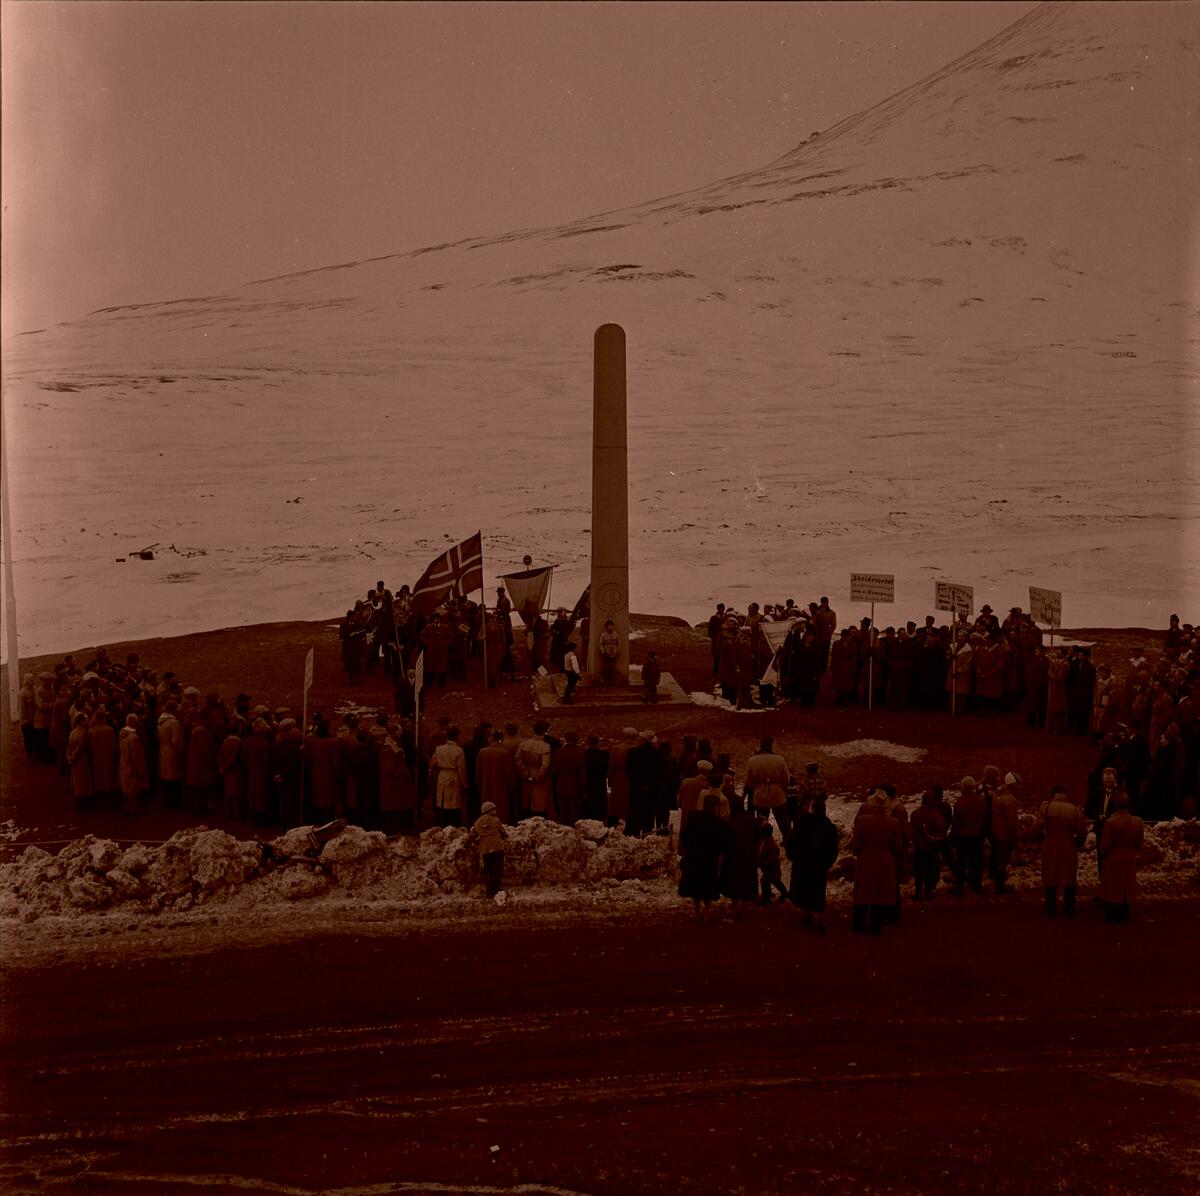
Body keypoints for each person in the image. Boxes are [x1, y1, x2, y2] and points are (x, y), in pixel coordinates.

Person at [850, 789, 903, 934]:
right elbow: (898, 846)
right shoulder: (894, 823)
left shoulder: (862, 821)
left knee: (863, 891)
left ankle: (858, 924)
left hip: (866, 857)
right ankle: (875, 925)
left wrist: (859, 853)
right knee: (880, 893)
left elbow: (855, 844)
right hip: (886, 860)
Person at [785, 796, 839, 931]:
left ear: (812, 809)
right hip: (819, 865)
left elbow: (791, 840)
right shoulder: (830, 827)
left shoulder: (802, 822)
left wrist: (792, 856)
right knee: (817, 891)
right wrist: (827, 863)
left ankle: (806, 914)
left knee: (802, 889)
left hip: (802, 863)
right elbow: (833, 849)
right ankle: (817, 916)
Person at [678, 790, 732, 922]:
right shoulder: (718, 822)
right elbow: (724, 842)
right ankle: (707, 912)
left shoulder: (694, 816)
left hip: (694, 854)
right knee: (708, 884)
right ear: (716, 806)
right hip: (710, 857)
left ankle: (696, 912)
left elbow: (684, 835)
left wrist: (688, 847)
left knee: (694, 883)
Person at [1038, 783, 1089, 917]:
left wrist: (1041, 839)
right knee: (1069, 877)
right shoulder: (1075, 810)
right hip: (1068, 845)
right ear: (1066, 794)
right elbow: (1083, 831)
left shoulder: (1046, 807)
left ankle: (1050, 909)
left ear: (1054, 794)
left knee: (1050, 875)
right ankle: (1069, 908)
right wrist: (1078, 843)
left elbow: (1037, 827)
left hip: (1050, 843)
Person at [1098, 792, 1144, 924]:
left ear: (1115, 805)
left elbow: (1105, 845)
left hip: (1114, 856)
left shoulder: (1110, 822)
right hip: (1129, 855)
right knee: (1126, 885)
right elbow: (1139, 843)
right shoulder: (1137, 821)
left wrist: (1103, 852)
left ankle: (1112, 914)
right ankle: (1125, 913)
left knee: (1112, 885)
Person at [744, 736, 791, 841]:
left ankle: (762, 842)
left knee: (761, 821)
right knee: (783, 821)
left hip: (760, 795)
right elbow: (786, 780)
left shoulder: (752, 760)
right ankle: (787, 841)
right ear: (771, 745)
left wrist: (756, 789)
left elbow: (748, 781)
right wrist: (781, 789)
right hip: (777, 794)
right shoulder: (779, 759)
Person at [720, 793, 760, 919]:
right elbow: (758, 837)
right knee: (747, 881)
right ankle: (744, 907)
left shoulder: (729, 821)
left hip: (733, 857)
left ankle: (735, 905)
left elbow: (724, 840)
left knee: (733, 881)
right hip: (749, 856)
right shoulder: (751, 819)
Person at [949, 775, 986, 896]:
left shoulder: (960, 802)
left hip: (963, 837)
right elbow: (986, 820)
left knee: (961, 862)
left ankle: (960, 886)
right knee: (977, 861)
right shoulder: (981, 801)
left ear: (963, 787)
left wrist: (953, 838)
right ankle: (977, 885)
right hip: (978, 836)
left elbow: (955, 823)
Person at [909, 790, 947, 901]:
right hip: (932, 847)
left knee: (919, 870)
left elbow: (913, 833)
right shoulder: (937, 815)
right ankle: (928, 891)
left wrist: (920, 843)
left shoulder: (915, 814)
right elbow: (941, 832)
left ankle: (918, 892)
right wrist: (932, 842)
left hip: (920, 848)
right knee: (930, 869)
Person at [988, 771, 1021, 894]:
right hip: (1005, 834)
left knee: (997, 857)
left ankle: (995, 880)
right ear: (1012, 784)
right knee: (1003, 859)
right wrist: (1015, 839)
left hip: (995, 830)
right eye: (1017, 785)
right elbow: (1011, 822)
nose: (1019, 787)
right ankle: (1000, 886)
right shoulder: (1010, 799)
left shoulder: (997, 793)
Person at [476, 729, 518, 824]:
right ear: (501, 739)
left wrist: (479, 785)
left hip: (486, 786)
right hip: (501, 788)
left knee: (486, 811)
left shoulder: (482, 752)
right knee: (501, 813)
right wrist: (512, 789)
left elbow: (478, 772)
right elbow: (509, 774)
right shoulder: (504, 753)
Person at [431, 726, 470, 826]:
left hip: (442, 774)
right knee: (453, 802)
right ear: (457, 737)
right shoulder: (459, 750)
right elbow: (461, 769)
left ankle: (442, 822)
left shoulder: (439, 749)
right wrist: (465, 784)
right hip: (453, 775)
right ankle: (453, 823)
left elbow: (433, 762)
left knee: (442, 801)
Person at [469, 801, 509, 898]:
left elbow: (471, 836)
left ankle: (489, 891)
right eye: (493, 809)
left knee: (488, 870)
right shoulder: (496, 820)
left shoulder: (477, 822)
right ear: (489, 811)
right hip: (497, 847)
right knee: (497, 870)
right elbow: (503, 834)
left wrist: (466, 845)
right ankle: (496, 889)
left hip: (485, 849)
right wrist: (505, 836)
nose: (495, 811)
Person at [516, 721, 553, 819]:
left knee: (527, 803)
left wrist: (524, 773)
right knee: (539, 805)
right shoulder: (545, 746)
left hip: (527, 774)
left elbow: (518, 759)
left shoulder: (524, 744)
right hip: (538, 777)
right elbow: (545, 765)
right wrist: (539, 776)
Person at [550, 729, 588, 825]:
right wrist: (584, 790)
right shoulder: (581, 753)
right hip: (575, 787)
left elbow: (554, 773)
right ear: (577, 740)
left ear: (566, 739)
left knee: (563, 815)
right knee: (574, 815)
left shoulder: (558, 753)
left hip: (561, 785)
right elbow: (582, 774)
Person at [118, 713, 149, 816]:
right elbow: (137, 756)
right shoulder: (134, 738)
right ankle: (134, 811)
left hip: (124, 764)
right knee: (133, 790)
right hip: (132, 766)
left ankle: (127, 808)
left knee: (126, 788)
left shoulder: (122, 734)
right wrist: (141, 769)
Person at [757, 821, 788, 906]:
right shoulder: (766, 841)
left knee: (765, 881)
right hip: (769, 868)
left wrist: (762, 863)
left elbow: (771, 859)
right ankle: (784, 893)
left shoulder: (771, 845)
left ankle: (766, 899)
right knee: (776, 881)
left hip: (771, 868)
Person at [597, 620, 620, 686]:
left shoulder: (616, 634)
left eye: (611, 627)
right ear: (606, 627)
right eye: (609, 627)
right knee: (606, 667)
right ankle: (606, 681)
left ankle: (612, 681)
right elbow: (601, 644)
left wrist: (617, 651)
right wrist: (603, 652)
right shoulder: (603, 635)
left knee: (612, 667)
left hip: (614, 653)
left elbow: (619, 643)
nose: (610, 628)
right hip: (606, 653)